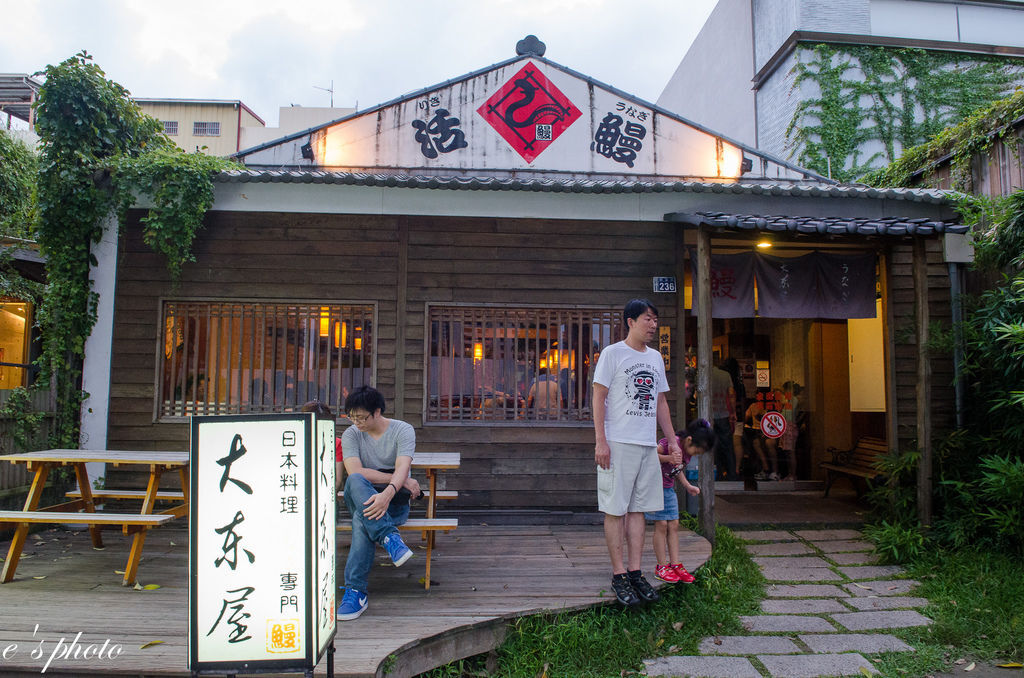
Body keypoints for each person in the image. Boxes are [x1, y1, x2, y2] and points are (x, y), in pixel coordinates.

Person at [593, 298, 682, 607]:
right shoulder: (612, 353)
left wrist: (671, 441)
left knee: (639, 509)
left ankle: (634, 572)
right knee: (615, 509)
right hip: (618, 442)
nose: (653, 325)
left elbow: (661, 403)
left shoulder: (656, 358)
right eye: (647, 319)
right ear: (630, 321)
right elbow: (598, 396)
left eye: (655, 320)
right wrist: (600, 441)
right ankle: (618, 574)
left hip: (646, 444)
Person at [335, 385, 422, 621]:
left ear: (377, 412)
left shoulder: (403, 430)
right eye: (352, 417)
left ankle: (355, 593)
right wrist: (400, 481)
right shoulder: (352, 434)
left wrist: (389, 491)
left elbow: (403, 466)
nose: (357, 423)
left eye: (362, 417)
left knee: (362, 521)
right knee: (355, 479)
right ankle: (389, 538)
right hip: (364, 495)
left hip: (394, 502)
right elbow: (355, 470)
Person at [645, 419, 716, 584]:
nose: (695, 454)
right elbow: (650, 456)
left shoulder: (687, 452)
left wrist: (687, 485)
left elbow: (677, 470)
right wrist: (668, 457)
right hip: (654, 487)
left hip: (668, 488)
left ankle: (675, 564)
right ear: (689, 440)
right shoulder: (672, 443)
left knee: (674, 525)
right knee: (661, 524)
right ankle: (661, 566)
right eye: (697, 450)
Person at [710, 359, 737, 480]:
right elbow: (731, 394)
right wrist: (733, 412)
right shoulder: (726, 375)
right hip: (723, 414)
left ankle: (716, 474)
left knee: (711, 446)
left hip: (709, 415)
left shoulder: (703, 374)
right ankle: (732, 474)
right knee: (727, 446)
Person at [723, 358, 746, 477]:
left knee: (725, 443)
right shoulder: (739, 383)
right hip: (737, 415)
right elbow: (742, 402)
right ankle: (736, 468)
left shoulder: (723, 380)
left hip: (723, 414)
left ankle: (726, 469)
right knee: (737, 442)